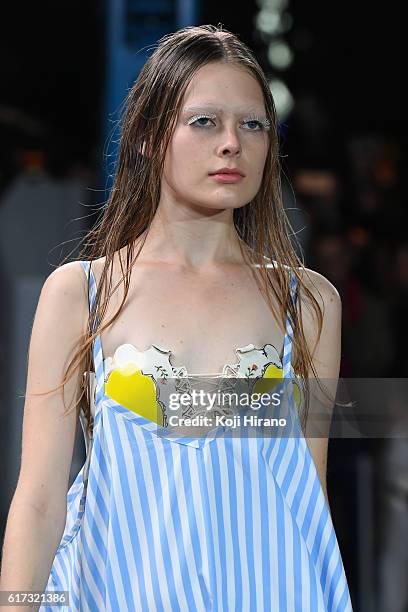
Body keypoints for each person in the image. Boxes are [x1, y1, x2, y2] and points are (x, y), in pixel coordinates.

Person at [0, 24, 353, 611]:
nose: (232, 144)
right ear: (147, 136)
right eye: (204, 121)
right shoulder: (82, 293)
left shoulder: (309, 304)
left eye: (253, 124)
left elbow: (307, 498)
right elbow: (39, 499)